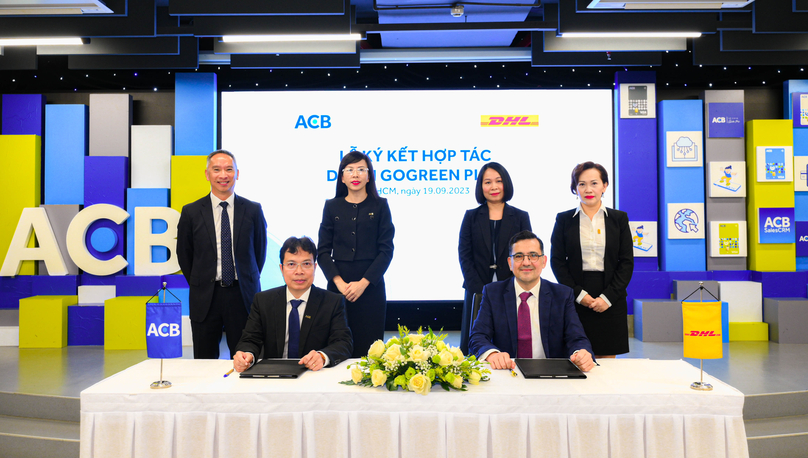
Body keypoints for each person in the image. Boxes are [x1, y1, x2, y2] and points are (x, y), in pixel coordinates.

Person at [176, 150, 267, 359]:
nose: (223, 175)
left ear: (237, 173)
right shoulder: (191, 212)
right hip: (205, 296)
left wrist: (245, 279)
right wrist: (201, 282)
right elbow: (185, 254)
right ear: (207, 174)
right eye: (216, 170)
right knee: (204, 360)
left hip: (242, 295)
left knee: (246, 357)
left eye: (229, 169)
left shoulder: (253, 210)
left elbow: (258, 253)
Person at [469, 231, 595, 372]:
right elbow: (478, 336)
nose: (526, 262)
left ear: (544, 261)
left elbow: (577, 338)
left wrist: (581, 353)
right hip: (508, 372)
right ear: (510, 263)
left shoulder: (562, 295)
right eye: (519, 256)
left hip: (551, 375)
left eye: (533, 256)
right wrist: (492, 354)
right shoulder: (493, 293)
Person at [550, 162, 634, 359]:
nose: (588, 189)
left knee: (608, 363)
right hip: (576, 295)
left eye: (594, 183)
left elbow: (626, 262)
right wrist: (580, 295)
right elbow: (557, 262)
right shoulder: (564, 220)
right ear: (575, 188)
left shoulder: (619, 219)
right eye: (581, 184)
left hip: (611, 296)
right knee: (576, 358)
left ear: (604, 186)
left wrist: (607, 298)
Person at [233, 236, 352, 372]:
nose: (299, 271)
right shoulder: (263, 300)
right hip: (274, 375)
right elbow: (250, 339)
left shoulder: (332, 302)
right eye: (291, 264)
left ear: (315, 267)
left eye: (306, 264)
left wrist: (322, 357)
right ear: (281, 269)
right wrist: (247, 355)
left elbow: (343, 342)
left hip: (314, 374)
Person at [318, 151, 394, 358]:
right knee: (336, 346)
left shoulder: (380, 206)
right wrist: (340, 284)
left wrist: (363, 283)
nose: (356, 174)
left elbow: (386, 250)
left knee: (369, 350)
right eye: (350, 170)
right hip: (338, 288)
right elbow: (323, 251)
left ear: (369, 176)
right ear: (342, 177)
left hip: (371, 289)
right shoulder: (332, 206)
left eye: (361, 169)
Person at [458, 162, 531, 354]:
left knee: (508, 344)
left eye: (498, 181)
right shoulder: (471, 217)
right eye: (487, 182)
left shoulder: (520, 216)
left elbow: (526, 255)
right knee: (474, 344)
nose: (494, 187)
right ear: (481, 187)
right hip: (476, 289)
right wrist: (479, 289)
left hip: (512, 288)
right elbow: (464, 255)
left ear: (506, 183)